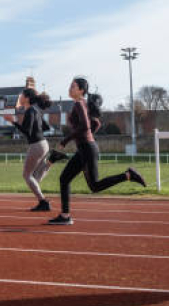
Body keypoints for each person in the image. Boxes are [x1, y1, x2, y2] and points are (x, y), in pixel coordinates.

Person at [48, 77, 146, 225]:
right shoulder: (82, 104)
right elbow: (95, 123)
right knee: (64, 178)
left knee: (94, 186)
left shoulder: (80, 104)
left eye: (73, 86)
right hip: (84, 148)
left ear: (81, 90)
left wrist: (65, 141)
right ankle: (65, 215)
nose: (70, 88)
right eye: (70, 86)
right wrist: (87, 137)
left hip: (87, 149)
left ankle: (128, 175)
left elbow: (85, 126)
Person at [4, 88, 54, 211]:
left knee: (27, 176)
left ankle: (43, 202)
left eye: (21, 95)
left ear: (26, 98)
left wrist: (14, 122)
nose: (19, 97)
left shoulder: (30, 111)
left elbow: (27, 131)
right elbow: (46, 127)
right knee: (34, 178)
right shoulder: (35, 110)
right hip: (43, 144)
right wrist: (37, 129)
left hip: (37, 145)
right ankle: (49, 163)